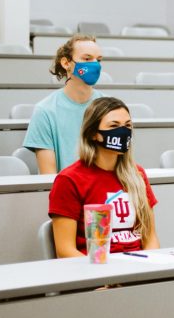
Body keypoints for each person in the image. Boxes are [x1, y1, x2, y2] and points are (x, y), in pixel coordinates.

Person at [49, 96, 160, 257]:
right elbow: (65, 250)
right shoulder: (69, 179)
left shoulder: (137, 175)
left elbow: (150, 239)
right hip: (96, 271)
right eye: (114, 125)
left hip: (137, 270)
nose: (123, 132)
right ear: (94, 133)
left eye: (128, 126)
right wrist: (105, 277)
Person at [23, 34, 104, 174]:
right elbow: (48, 177)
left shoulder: (109, 108)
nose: (95, 64)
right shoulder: (45, 111)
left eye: (99, 60)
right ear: (66, 63)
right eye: (87, 58)